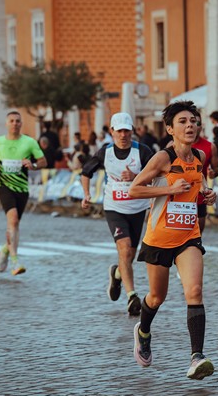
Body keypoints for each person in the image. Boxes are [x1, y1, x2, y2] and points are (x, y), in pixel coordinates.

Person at [129, 100, 217, 380]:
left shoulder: (199, 158)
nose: (190, 125)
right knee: (157, 297)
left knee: (195, 291)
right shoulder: (163, 159)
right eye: (183, 121)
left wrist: (207, 193)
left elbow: (198, 184)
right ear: (169, 129)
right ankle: (143, 332)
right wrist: (168, 188)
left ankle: (196, 357)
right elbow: (134, 189)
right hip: (158, 239)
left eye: (193, 120)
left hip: (188, 236)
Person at [81, 112, 154, 316]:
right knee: (123, 249)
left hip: (138, 208)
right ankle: (132, 296)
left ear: (132, 131)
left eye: (127, 131)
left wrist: (137, 176)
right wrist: (86, 194)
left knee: (130, 253)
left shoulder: (143, 151)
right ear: (112, 132)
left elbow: (159, 175)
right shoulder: (105, 153)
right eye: (119, 131)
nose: (123, 135)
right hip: (114, 208)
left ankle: (117, 274)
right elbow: (86, 172)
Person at [0, 111, 46, 276]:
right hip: (4, 187)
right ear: (6, 123)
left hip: (22, 189)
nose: (14, 123)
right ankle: (15, 261)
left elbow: (43, 161)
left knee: (15, 225)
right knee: (12, 220)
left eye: (18, 121)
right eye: (11, 121)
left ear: (21, 124)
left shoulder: (29, 142)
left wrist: (32, 164)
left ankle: (5, 250)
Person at [192, 110, 218, 233]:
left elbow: (217, 168)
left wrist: (214, 173)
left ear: (201, 126)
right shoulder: (173, 146)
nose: (193, 126)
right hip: (179, 196)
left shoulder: (210, 147)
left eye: (197, 123)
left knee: (198, 235)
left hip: (200, 196)